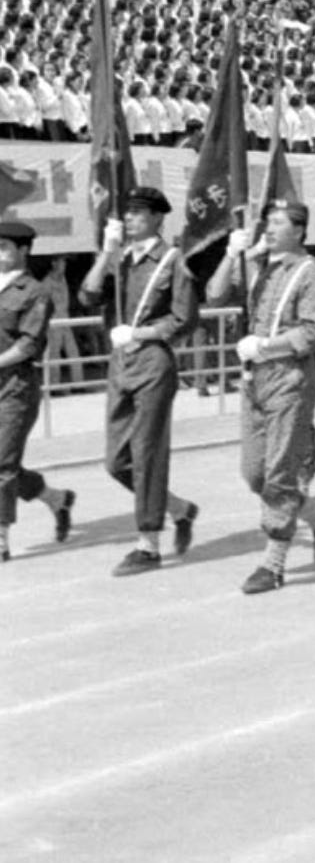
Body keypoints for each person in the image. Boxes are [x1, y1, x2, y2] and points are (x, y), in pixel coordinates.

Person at [207, 200, 315, 594]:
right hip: (255, 381)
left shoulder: (311, 273)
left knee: (279, 471)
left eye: (278, 222)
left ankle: (273, 562)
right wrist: (231, 255)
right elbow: (214, 296)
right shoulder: (259, 268)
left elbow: (312, 333)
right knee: (255, 473)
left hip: (289, 380)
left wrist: (265, 345)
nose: (269, 228)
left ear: (299, 230)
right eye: (269, 222)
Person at [80, 187, 200, 574]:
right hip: (121, 364)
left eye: (138, 214)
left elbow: (185, 318)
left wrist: (143, 334)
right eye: (127, 214)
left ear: (157, 219)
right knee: (116, 461)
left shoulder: (171, 261)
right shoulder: (120, 260)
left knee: (147, 452)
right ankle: (179, 508)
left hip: (152, 363)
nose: (129, 219)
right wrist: (106, 253)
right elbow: (87, 296)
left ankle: (148, 543)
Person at [0, 221, 75, 560]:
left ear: (23, 251)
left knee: (2, 463)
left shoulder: (35, 292)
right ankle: (56, 499)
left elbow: (29, 345)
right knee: (6, 464)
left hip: (15, 387)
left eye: (4, 247)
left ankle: (0, 536)